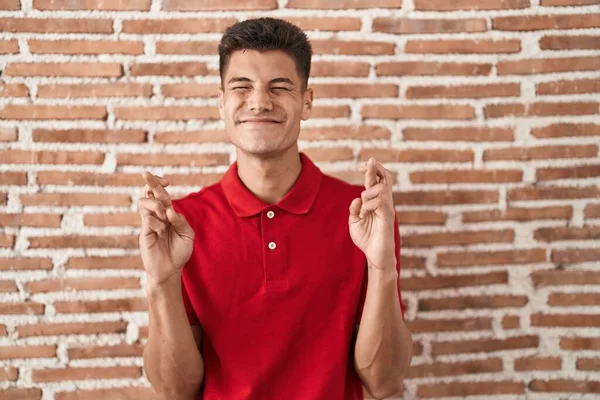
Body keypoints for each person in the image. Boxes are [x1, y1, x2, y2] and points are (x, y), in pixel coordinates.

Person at [138, 17, 412, 400]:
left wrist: (382, 269)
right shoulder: (180, 224)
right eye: (241, 87)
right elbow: (175, 391)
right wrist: (162, 283)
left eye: (279, 87)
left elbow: (384, 383)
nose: (259, 102)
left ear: (307, 101)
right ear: (221, 103)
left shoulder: (364, 216)